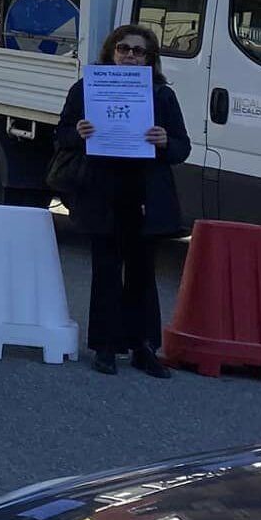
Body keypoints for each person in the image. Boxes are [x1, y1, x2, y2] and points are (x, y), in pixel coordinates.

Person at [56, 24, 191, 377]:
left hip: (145, 196)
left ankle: (143, 347)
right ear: (110, 52)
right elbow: (62, 135)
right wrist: (79, 133)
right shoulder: (87, 89)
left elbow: (182, 147)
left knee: (143, 274)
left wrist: (165, 140)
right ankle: (104, 346)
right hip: (101, 191)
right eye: (123, 49)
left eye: (138, 51)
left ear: (150, 59)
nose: (129, 55)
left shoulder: (162, 96)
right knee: (105, 270)